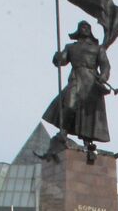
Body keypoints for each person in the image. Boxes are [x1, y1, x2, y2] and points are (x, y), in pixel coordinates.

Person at [42, 21, 111, 150]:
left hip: (91, 82)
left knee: (89, 112)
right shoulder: (71, 47)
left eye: (87, 27)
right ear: (78, 30)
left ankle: (87, 141)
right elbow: (62, 60)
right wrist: (57, 57)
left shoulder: (98, 48)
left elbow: (105, 65)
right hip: (75, 78)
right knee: (69, 105)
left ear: (90, 31)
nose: (84, 29)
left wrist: (103, 76)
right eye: (82, 27)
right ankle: (64, 130)